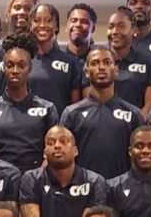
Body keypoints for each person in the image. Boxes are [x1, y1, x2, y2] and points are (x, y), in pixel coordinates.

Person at [21, 126, 109, 217]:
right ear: (44, 153)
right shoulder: (31, 178)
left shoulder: (94, 181)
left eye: (63, 141)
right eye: (51, 142)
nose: (57, 146)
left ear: (75, 151)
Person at [60, 46, 144, 179]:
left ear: (116, 70)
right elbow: (63, 159)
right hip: (84, 191)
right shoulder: (71, 113)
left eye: (107, 62)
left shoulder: (134, 114)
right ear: (86, 72)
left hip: (122, 192)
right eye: (94, 63)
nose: (101, 67)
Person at [0, 31, 59, 171]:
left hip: (35, 180)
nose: (15, 70)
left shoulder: (47, 109)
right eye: (10, 65)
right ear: (3, 68)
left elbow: (53, 151)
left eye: (21, 65)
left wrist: (36, 178)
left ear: (30, 68)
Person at [104, 7, 151, 116]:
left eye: (121, 26)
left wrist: (137, 125)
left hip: (135, 126)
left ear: (133, 30)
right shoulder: (97, 61)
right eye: (111, 27)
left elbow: (150, 103)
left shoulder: (148, 62)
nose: (115, 31)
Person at [28, 4, 82, 114]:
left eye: (48, 20)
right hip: (28, 127)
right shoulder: (23, 59)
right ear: (30, 25)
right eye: (37, 20)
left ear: (56, 26)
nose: (42, 25)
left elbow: (75, 107)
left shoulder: (70, 62)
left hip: (59, 128)